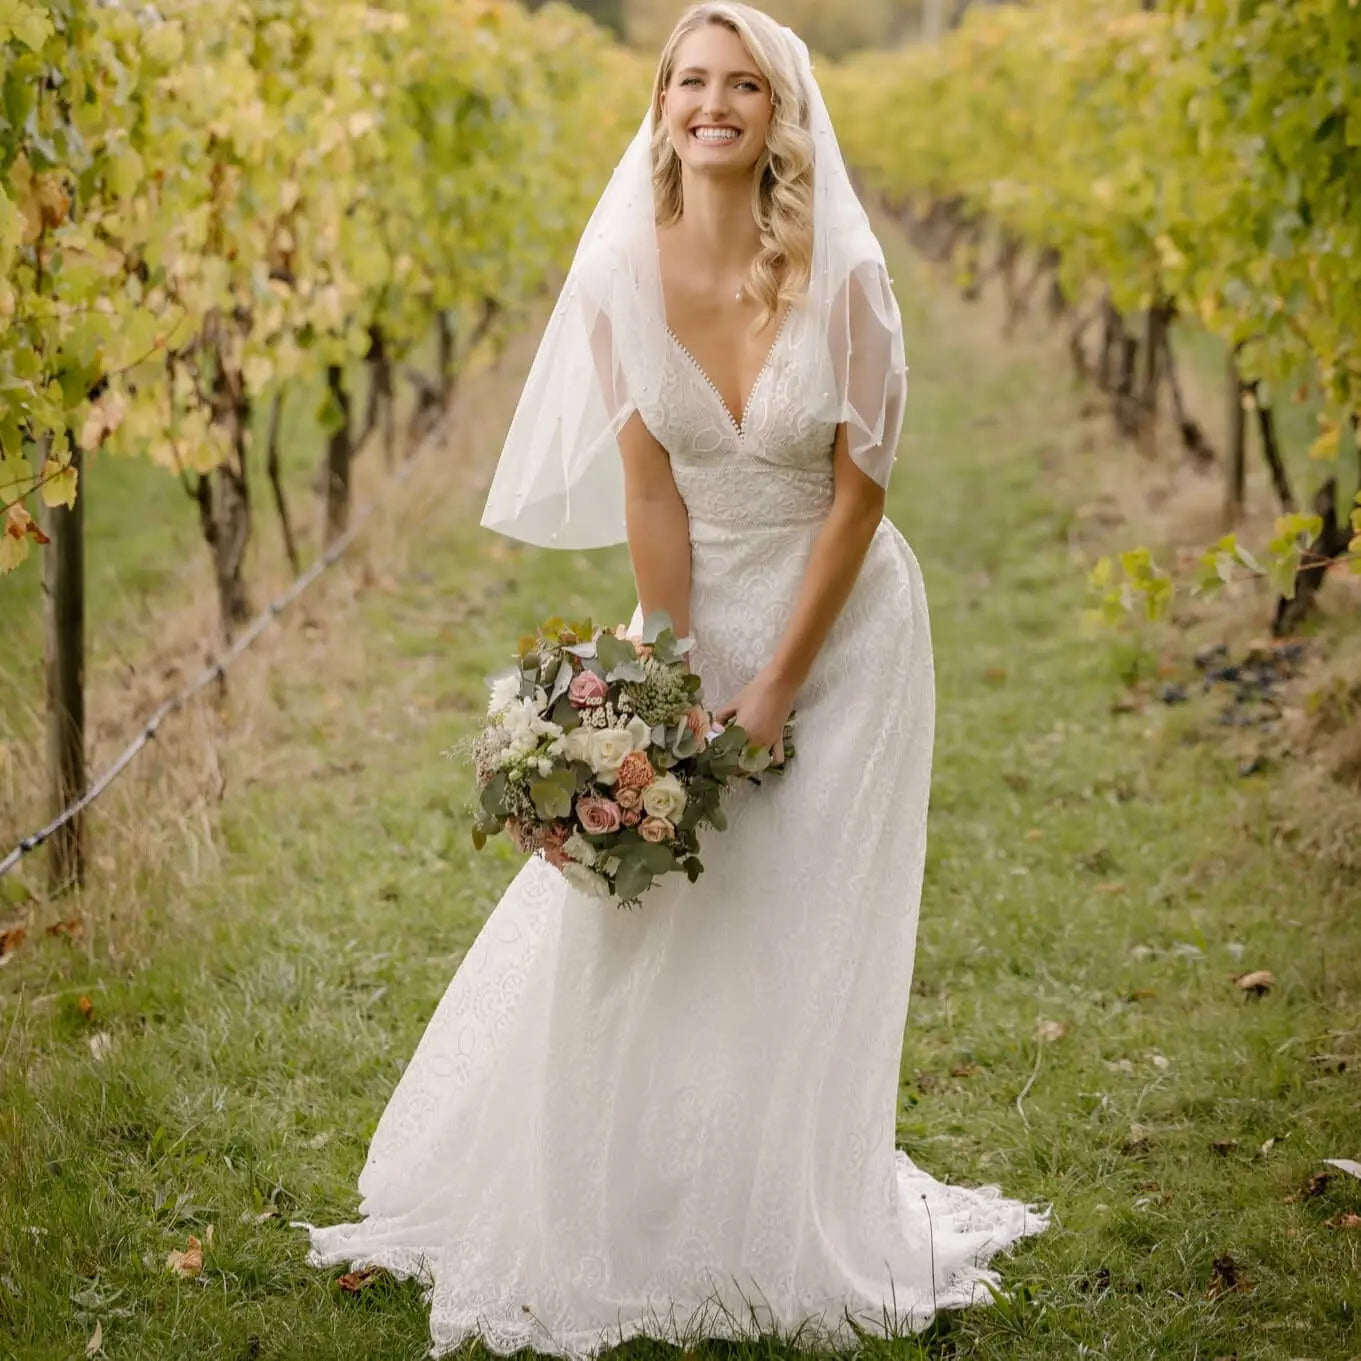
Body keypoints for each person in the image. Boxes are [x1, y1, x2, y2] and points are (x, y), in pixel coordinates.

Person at [297, 5, 1050, 1356]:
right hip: (695, 615)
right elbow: (650, 483)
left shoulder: (846, 278)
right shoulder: (616, 278)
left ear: (778, 114)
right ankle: (628, 1194)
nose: (713, 103)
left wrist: (771, 688)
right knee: (644, 919)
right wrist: (659, 668)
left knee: (793, 918)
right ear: (660, 106)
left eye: (740, 86)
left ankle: (774, 1205)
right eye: (690, 82)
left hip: (843, 628)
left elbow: (856, 501)